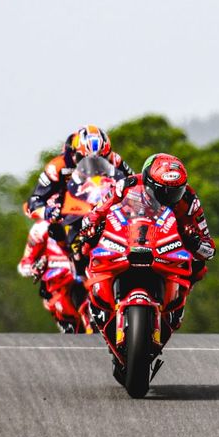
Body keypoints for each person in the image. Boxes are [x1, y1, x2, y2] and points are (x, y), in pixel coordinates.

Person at [80, 152, 215, 343]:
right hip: (130, 239)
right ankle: (98, 294)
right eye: (163, 192)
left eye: (175, 191)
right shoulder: (126, 186)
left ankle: (175, 304)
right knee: (85, 246)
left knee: (200, 266)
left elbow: (209, 248)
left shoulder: (190, 200)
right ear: (149, 183)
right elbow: (95, 214)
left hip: (168, 249)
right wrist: (92, 226)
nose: (169, 198)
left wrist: (194, 241)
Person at [16, 125, 133, 322]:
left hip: (103, 206)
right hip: (69, 208)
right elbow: (34, 200)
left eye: (101, 159)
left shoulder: (115, 160)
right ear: (74, 154)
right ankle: (33, 261)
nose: (95, 164)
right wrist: (48, 210)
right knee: (42, 227)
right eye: (85, 159)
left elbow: (133, 183)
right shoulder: (57, 167)